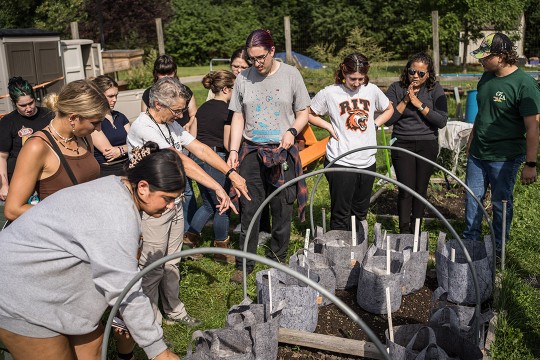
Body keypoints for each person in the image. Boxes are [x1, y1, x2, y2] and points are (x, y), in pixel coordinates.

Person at [0, 142, 183, 360]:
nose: (171, 206)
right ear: (143, 187)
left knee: (94, 347)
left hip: (51, 289)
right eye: (168, 198)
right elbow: (124, 289)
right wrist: (158, 351)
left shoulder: (117, 186)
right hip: (19, 295)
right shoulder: (116, 215)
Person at [127, 77, 249, 326]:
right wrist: (217, 187)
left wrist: (230, 174)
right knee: (152, 267)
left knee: (172, 261)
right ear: (158, 104)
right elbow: (180, 160)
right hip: (153, 208)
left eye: (183, 109)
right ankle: (150, 321)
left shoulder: (169, 124)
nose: (181, 115)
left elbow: (200, 149)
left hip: (173, 202)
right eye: (177, 110)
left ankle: (174, 310)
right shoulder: (143, 127)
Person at [227, 29, 311, 283]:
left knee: (281, 207)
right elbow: (238, 116)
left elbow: (304, 112)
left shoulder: (290, 75)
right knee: (249, 207)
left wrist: (292, 131)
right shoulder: (243, 78)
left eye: (261, 57)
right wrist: (233, 150)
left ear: (272, 51)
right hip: (252, 151)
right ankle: (245, 264)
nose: (257, 63)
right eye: (252, 59)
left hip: (281, 150)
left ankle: (277, 261)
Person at [463, 33, 540, 250]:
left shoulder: (524, 85)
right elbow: (482, 112)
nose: (481, 60)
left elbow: (533, 127)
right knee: (472, 199)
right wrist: (471, 139)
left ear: (501, 56)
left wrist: (531, 164)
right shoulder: (486, 77)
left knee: (501, 203)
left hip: (504, 157)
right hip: (478, 153)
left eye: (485, 57)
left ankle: (498, 249)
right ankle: (470, 243)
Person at [309, 53, 393, 231]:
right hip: (341, 159)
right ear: (343, 72)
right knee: (341, 212)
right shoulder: (330, 92)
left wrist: (375, 124)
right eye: (352, 79)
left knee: (361, 211)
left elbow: (389, 108)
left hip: (367, 160)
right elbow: (309, 113)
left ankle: (357, 250)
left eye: (360, 79)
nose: (356, 83)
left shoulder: (371, 90)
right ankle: (338, 250)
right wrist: (328, 127)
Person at [4, 80, 107, 221]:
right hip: (61, 238)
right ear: (73, 118)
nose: (99, 128)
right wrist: (66, 215)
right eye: (95, 122)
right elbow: (13, 210)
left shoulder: (84, 138)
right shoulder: (37, 147)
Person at [386, 52, 448, 234]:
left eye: (421, 73)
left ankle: (417, 231)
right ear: (407, 70)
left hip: (427, 143)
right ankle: (404, 232)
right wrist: (406, 99)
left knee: (420, 189)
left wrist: (419, 104)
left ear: (428, 74)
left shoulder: (435, 90)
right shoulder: (396, 88)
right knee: (405, 189)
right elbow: (390, 119)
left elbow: (441, 120)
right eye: (412, 71)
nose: (416, 76)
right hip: (402, 142)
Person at [140, 54, 198, 234]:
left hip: (181, 139)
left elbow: (193, 114)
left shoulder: (185, 91)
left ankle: (188, 228)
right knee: (175, 187)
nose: (165, 78)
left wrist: (189, 133)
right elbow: (149, 118)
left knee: (187, 190)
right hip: (165, 148)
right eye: (161, 74)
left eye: (169, 74)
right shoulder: (149, 95)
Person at [185, 70, 236, 264]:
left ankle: (189, 240)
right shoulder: (227, 111)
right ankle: (221, 249)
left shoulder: (203, 108)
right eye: (234, 89)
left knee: (208, 204)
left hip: (198, 156)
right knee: (222, 205)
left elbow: (193, 134)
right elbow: (226, 139)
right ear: (225, 89)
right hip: (216, 156)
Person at [0, 77, 54, 201]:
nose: (28, 108)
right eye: (23, 105)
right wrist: (4, 185)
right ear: (14, 103)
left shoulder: (48, 115)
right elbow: (2, 156)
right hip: (19, 180)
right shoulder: (8, 122)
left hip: (46, 177)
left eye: (31, 103)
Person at [91, 75, 131, 177]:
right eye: (110, 96)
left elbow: (137, 142)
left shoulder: (120, 116)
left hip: (128, 166)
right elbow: (108, 152)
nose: (115, 100)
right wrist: (128, 148)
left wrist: (120, 150)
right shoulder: (94, 120)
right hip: (108, 171)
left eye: (116, 95)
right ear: (98, 95)